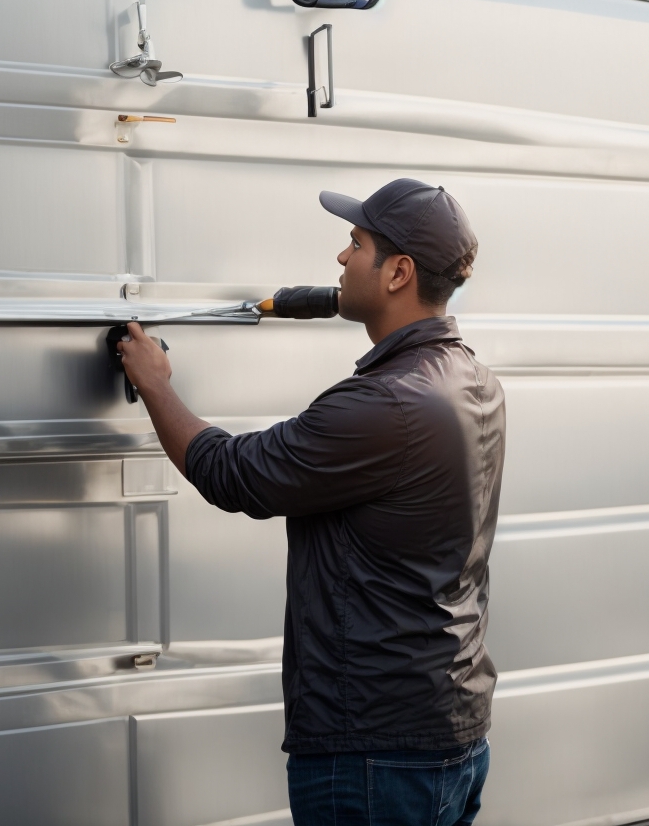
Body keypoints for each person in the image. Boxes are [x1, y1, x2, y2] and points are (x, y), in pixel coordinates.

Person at [116, 178, 505, 826]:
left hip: (375, 752)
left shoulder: (384, 406)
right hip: (450, 728)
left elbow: (233, 474)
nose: (340, 258)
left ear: (398, 272)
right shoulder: (472, 379)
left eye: (356, 243)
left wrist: (153, 384)